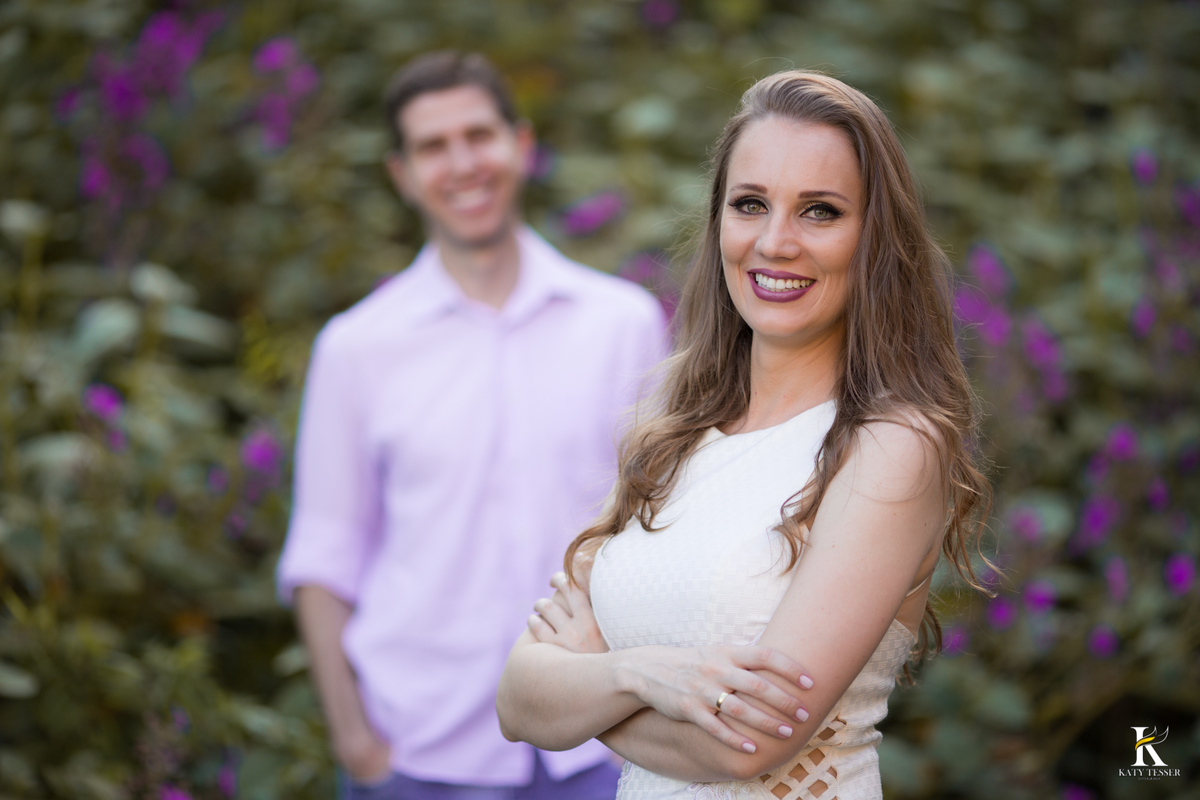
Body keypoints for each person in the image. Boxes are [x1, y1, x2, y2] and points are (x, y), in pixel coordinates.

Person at [496, 70, 992, 800]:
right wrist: (632, 672)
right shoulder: (669, 425)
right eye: (750, 204)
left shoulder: (891, 447)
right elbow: (516, 698)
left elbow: (749, 745)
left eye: (820, 211)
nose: (775, 241)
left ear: (873, 239)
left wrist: (586, 692)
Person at [276, 51, 668, 799]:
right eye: (432, 146)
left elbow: (657, 524)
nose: (462, 163)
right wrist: (358, 745)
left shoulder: (622, 324)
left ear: (521, 146)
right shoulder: (356, 348)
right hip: (416, 756)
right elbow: (323, 558)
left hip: (596, 748)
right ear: (401, 174)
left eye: (477, 135)